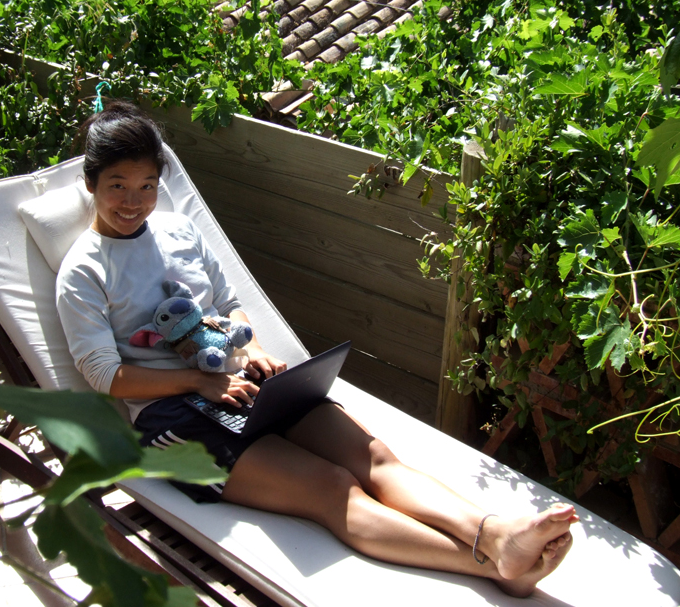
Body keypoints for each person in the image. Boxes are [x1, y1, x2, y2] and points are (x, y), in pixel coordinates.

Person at [55, 101, 577, 598]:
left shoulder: (178, 230)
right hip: (172, 420)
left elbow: (230, 304)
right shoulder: (84, 270)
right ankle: (492, 566)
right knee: (332, 487)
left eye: (147, 186)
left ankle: (493, 532)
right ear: (90, 183)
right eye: (118, 186)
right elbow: (106, 375)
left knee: (374, 459)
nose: (134, 202)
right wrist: (199, 381)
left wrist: (253, 350)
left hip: (245, 386)